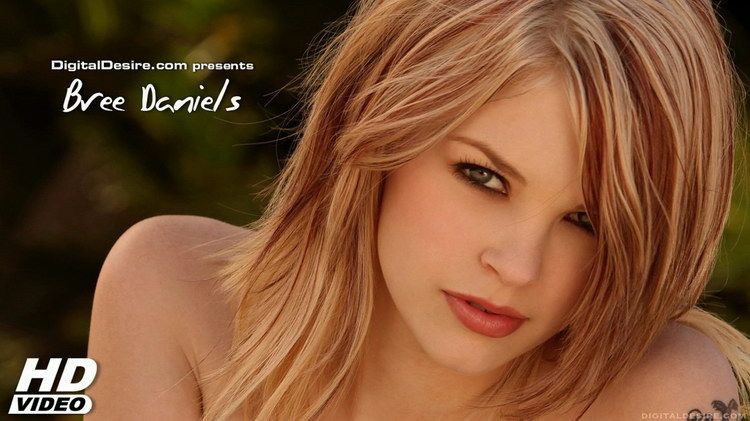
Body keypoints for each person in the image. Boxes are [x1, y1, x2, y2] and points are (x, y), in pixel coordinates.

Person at [85, 0, 750, 419]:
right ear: (377, 128)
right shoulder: (173, 294)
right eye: (483, 177)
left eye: (588, 222)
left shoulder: (658, 392)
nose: (518, 266)